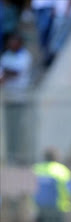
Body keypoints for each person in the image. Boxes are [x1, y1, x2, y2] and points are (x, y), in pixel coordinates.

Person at [0, 33, 33, 165]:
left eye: (14, 41)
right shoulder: (6, 55)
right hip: (8, 99)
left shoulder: (25, 56)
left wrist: (6, 72)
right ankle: (10, 155)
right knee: (9, 130)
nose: (11, 44)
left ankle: (19, 155)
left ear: (20, 43)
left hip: (20, 99)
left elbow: (16, 72)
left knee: (19, 129)